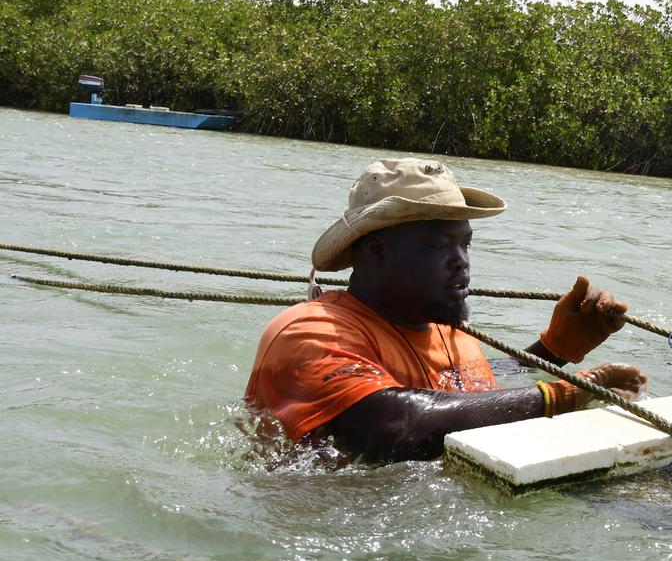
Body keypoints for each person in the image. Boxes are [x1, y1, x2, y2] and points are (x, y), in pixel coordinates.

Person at [246, 157, 647, 463]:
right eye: (439, 246)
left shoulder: (446, 329)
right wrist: (562, 394)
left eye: (465, 244)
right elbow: (391, 428)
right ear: (375, 251)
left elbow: (465, 396)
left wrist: (554, 350)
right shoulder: (309, 331)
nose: (461, 262)